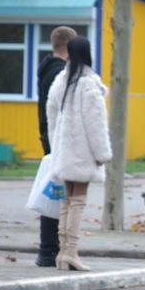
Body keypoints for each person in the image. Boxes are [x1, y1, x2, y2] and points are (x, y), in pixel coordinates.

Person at [45, 34, 110, 274]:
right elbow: (96, 122)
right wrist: (101, 153)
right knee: (79, 201)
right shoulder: (89, 83)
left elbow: (51, 113)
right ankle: (71, 253)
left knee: (66, 202)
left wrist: (56, 145)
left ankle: (64, 253)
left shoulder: (61, 80)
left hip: (64, 150)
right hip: (82, 151)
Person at [34, 25, 76, 267]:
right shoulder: (58, 73)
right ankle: (48, 249)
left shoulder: (47, 68)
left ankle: (51, 248)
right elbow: (58, 112)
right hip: (56, 141)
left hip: (51, 139)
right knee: (57, 196)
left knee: (57, 194)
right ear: (69, 47)